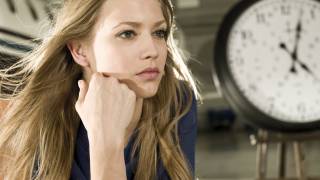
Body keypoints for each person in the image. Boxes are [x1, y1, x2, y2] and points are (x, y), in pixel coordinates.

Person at [0, 0, 201, 179]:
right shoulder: (45, 120)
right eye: (127, 33)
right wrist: (106, 144)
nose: (152, 51)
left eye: (159, 32)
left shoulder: (177, 102)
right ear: (79, 50)